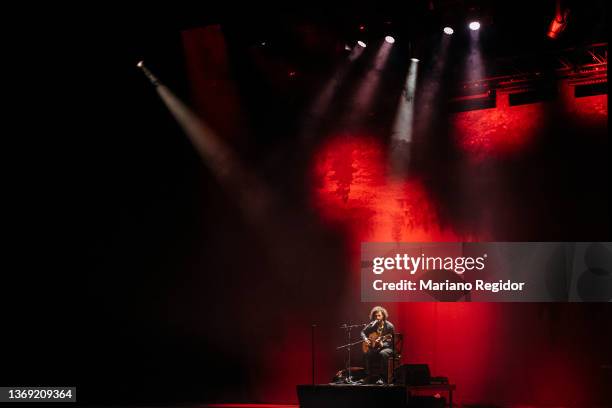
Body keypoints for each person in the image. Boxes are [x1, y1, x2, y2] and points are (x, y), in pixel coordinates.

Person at [361, 306, 395, 384]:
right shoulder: (372, 325)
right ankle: (368, 376)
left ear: (383, 316)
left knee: (382, 353)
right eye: (375, 316)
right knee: (367, 353)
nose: (377, 317)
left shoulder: (389, 326)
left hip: (389, 348)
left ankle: (382, 378)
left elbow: (392, 341)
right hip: (377, 347)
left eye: (379, 315)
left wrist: (383, 344)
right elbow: (362, 332)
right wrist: (366, 340)